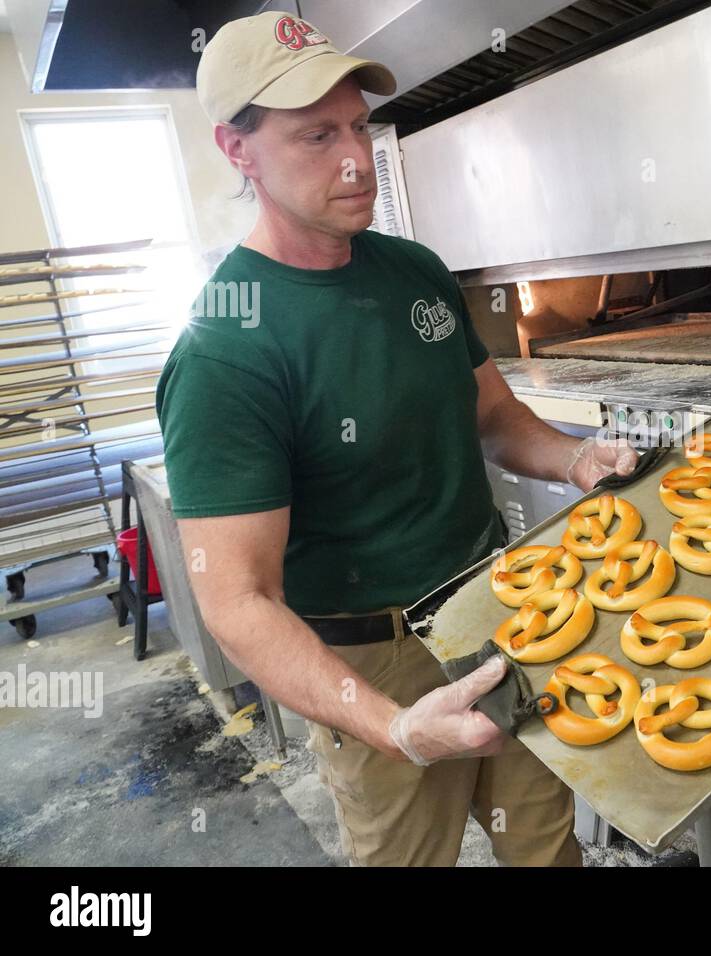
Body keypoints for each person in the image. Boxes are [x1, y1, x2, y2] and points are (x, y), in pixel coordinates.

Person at [156, 10, 638, 866]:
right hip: (375, 668)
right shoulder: (227, 349)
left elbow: (492, 417)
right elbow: (235, 602)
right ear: (239, 151)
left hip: (504, 616)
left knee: (546, 843)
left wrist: (572, 458)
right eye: (316, 137)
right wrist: (396, 728)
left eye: (358, 127)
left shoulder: (413, 270)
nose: (355, 160)